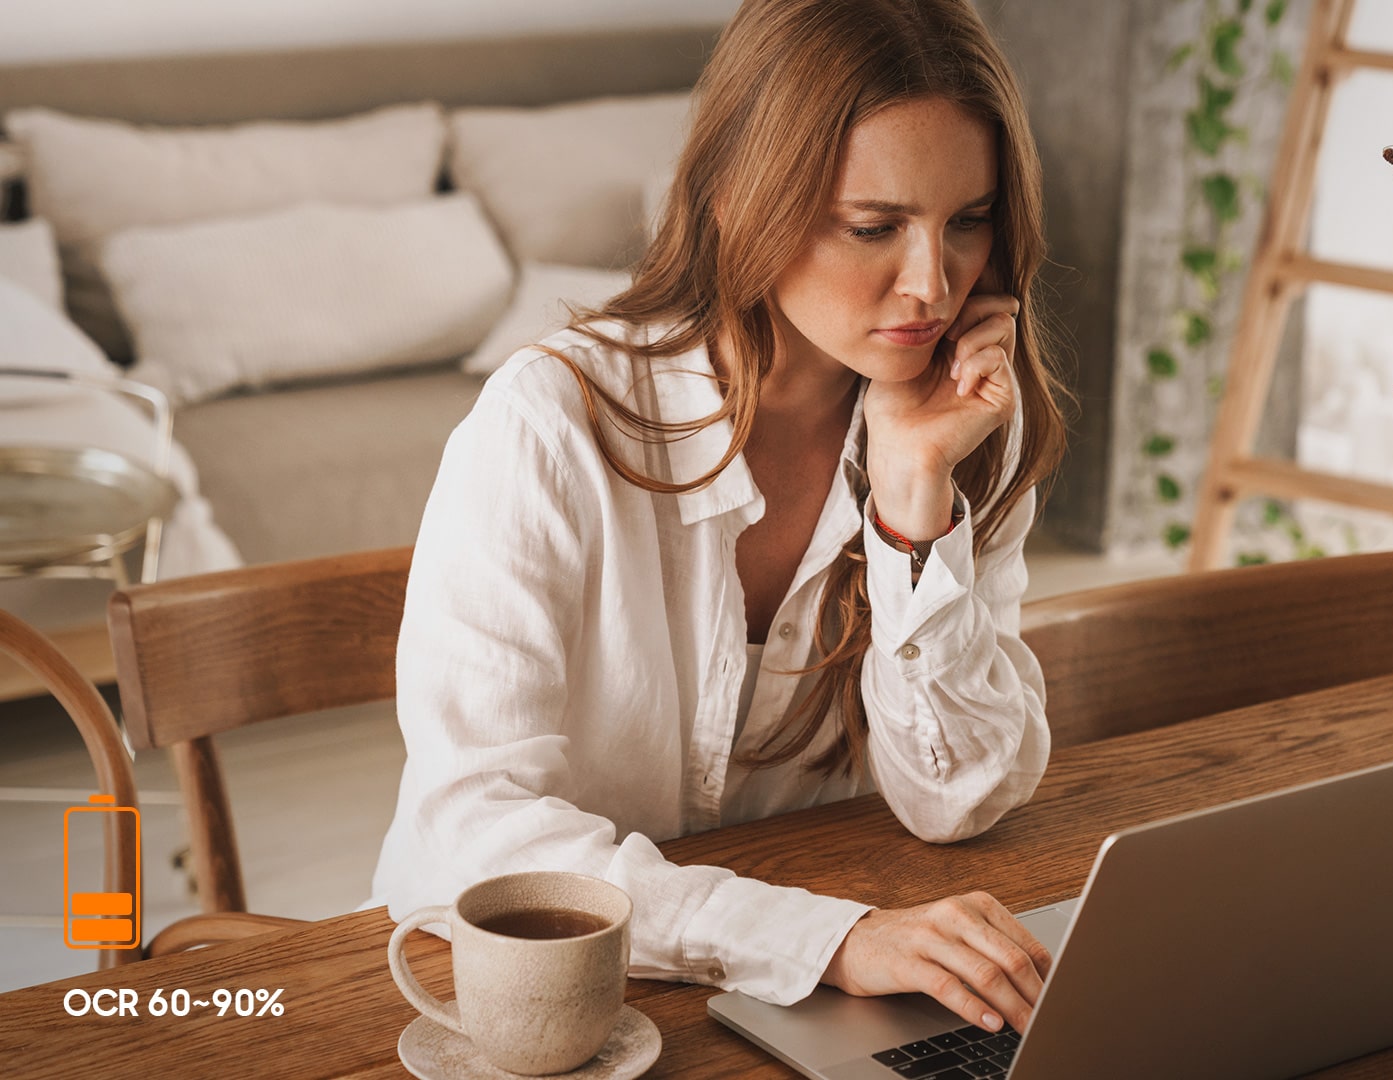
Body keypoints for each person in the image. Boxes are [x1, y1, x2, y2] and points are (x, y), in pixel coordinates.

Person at [367, 0, 1071, 1039]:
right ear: (746, 201)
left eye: (968, 220)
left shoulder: (960, 426)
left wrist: (914, 500)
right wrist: (824, 940)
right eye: (874, 227)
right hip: (518, 1004)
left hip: (794, 998)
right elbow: (477, 830)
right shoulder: (548, 425)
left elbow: (957, 800)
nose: (932, 283)